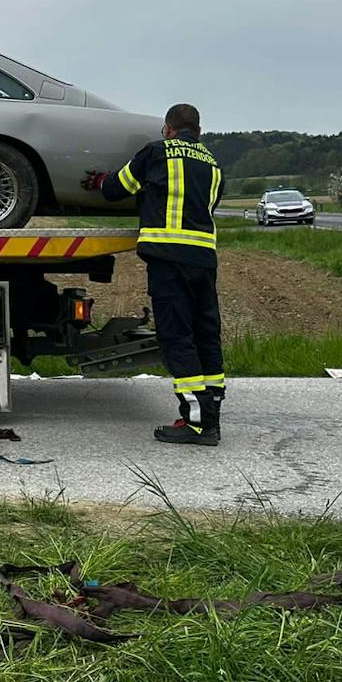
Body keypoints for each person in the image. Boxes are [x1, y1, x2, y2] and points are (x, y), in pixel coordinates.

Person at [82, 103, 225, 446]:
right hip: (204, 261)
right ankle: (211, 417)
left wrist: (100, 180)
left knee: (177, 338)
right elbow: (203, 205)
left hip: (169, 259)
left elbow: (117, 188)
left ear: (168, 128)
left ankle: (195, 424)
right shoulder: (213, 164)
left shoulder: (156, 152)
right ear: (199, 131)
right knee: (205, 336)